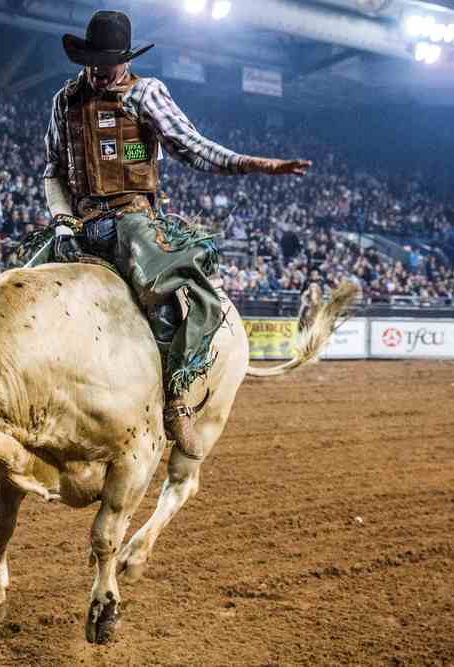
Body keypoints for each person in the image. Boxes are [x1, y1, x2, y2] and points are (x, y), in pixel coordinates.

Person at [32, 10, 311, 459]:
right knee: (17, 285)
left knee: (160, 291)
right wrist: (62, 218)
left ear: (124, 60)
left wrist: (253, 164)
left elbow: (193, 147)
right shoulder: (65, 100)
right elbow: (53, 169)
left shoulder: (146, 94)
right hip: (78, 221)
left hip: (133, 217)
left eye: (110, 62)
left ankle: (175, 397)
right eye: (95, 61)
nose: (102, 71)